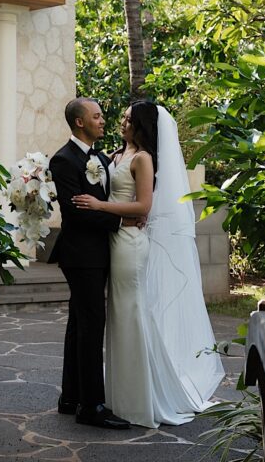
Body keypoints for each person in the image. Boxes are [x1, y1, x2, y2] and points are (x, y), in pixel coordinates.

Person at [72, 100, 224, 427]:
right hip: (112, 242)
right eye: (123, 117)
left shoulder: (143, 159)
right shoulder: (115, 155)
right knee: (119, 317)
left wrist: (99, 207)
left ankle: (143, 399)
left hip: (129, 244)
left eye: (128, 119)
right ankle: (120, 396)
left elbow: (142, 206)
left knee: (132, 314)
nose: (122, 122)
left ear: (141, 125)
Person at [48, 97, 131, 430]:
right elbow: (77, 213)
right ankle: (92, 406)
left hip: (97, 252)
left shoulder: (100, 157)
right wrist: (122, 223)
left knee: (79, 325)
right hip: (81, 254)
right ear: (79, 122)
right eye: (96, 116)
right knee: (92, 326)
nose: (102, 120)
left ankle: (71, 397)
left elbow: (101, 200)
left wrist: (104, 210)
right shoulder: (64, 160)